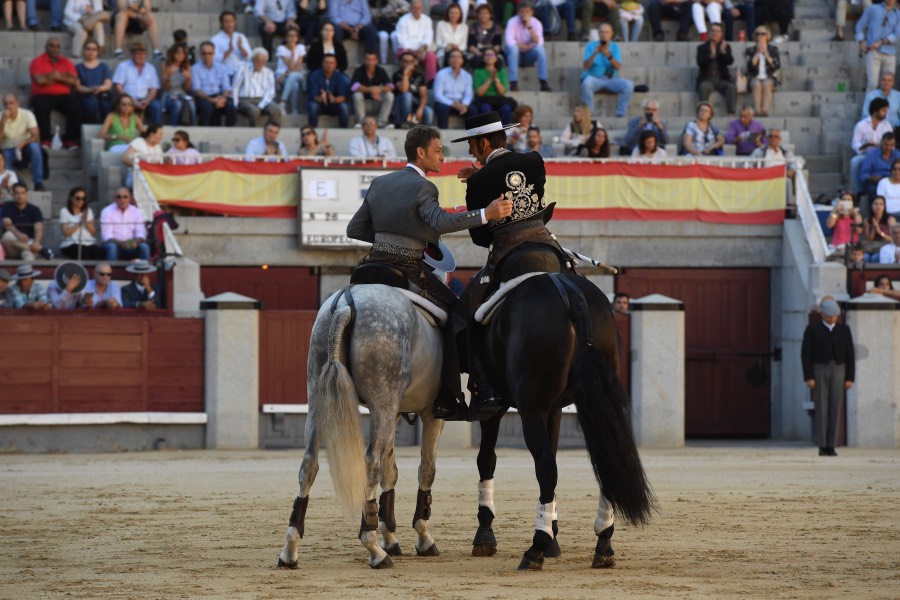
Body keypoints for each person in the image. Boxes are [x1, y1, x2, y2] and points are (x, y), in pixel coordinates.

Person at [346, 123, 513, 420]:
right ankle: (455, 393)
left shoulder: (380, 182)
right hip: (408, 267)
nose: (443, 157)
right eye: (438, 151)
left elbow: (355, 228)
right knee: (459, 314)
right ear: (420, 152)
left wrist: (388, 238)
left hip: (370, 266)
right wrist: (486, 213)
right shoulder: (425, 187)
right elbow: (440, 222)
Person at [451, 111, 565, 418]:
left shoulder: (478, 183)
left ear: (484, 142)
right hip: (547, 244)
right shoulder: (534, 160)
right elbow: (514, 178)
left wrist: (477, 181)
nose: (470, 151)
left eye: (472, 146)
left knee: (466, 315)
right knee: (572, 284)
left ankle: (484, 387)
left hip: (508, 252)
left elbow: (478, 238)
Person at [801, 299, 855, 457]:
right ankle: (822, 444)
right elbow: (806, 355)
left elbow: (849, 354)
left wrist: (850, 377)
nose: (833, 319)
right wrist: (809, 376)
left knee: (835, 407)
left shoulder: (844, 330)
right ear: (822, 314)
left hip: (839, 369)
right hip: (819, 368)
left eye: (835, 316)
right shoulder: (813, 330)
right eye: (829, 316)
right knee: (821, 408)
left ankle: (831, 444)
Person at [30, 36, 82, 149]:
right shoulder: (37, 61)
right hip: (42, 95)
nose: (55, 49)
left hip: (63, 96)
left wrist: (54, 77)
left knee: (76, 106)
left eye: (57, 46)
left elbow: (74, 80)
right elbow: (39, 80)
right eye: (51, 46)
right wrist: (63, 77)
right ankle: (45, 139)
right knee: (40, 106)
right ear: (46, 47)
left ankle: (70, 139)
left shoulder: (66, 62)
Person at [581, 23, 633, 118]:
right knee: (586, 83)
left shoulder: (615, 47)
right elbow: (586, 66)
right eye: (601, 32)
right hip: (595, 78)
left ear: (611, 34)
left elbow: (618, 67)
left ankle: (620, 113)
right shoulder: (591, 46)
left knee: (629, 85)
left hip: (612, 79)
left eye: (607, 32)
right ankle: (589, 114)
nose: (604, 35)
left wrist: (608, 55)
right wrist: (595, 54)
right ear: (598, 34)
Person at [0, 95, 46, 191]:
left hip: (25, 146)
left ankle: (38, 182)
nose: (8, 106)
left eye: (11, 103)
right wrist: (3, 122)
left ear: (17, 103)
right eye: (6, 104)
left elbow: (36, 137)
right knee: (5, 159)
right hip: (7, 148)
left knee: (35, 147)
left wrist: (24, 143)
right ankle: (14, 186)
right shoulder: (1, 117)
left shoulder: (27, 115)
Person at [505, 1, 552, 93]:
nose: (524, 14)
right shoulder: (512, 22)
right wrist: (527, 46)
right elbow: (509, 42)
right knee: (513, 49)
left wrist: (529, 27)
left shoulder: (536, 23)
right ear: (518, 12)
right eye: (522, 12)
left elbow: (539, 43)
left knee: (541, 50)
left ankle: (543, 82)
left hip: (528, 56)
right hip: (514, 55)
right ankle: (513, 82)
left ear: (532, 12)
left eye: (527, 12)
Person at [112, 42, 162, 125]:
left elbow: (154, 89)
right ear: (132, 55)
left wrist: (147, 101)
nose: (141, 56)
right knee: (123, 104)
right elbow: (118, 86)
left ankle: (155, 130)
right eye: (138, 54)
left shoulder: (150, 68)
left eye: (143, 54)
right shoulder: (123, 66)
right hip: (127, 99)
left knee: (156, 106)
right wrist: (132, 101)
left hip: (145, 100)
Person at [851, 98, 893, 195]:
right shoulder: (861, 125)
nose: (885, 113)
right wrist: (865, 145)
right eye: (883, 110)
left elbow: (890, 142)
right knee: (855, 162)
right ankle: (858, 191)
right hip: (865, 155)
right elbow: (855, 144)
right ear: (875, 111)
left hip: (881, 155)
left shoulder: (887, 126)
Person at [856, 0, 900, 91]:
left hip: (890, 53)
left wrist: (881, 42)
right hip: (873, 52)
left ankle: (886, 105)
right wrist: (861, 42)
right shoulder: (872, 8)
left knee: (888, 86)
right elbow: (859, 26)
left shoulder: (898, 14)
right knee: (872, 84)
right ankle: (870, 105)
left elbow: (897, 34)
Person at [191, 41, 237, 127]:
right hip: (203, 97)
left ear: (214, 54)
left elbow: (226, 87)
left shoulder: (222, 67)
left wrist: (222, 98)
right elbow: (196, 90)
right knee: (207, 108)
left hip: (219, 96)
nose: (207, 56)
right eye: (204, 53)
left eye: (210, 53)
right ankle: (202, 133)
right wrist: (210, 100)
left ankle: (229, 133)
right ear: (200, 54)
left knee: (231, 108)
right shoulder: (195, 68)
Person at [234, 47, 283, 127]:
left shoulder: (269, 72)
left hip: (263, 99)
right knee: (254, 111)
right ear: (253, 60)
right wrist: (235, 104)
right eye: (258, 61)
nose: (260, 64)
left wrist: (262, 104)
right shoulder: (242, 69)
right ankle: (256, 134)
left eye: (263, 62)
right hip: (245, 100)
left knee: (276, 110)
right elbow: (235, 87)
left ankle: (270, 132)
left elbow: (270, 92)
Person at [696, 23, 736, 116]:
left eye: (718, 31)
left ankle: (731, 113)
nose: (715, 33)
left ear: (721, 34)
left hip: (721, 78)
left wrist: (723, 52)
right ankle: (704, 113)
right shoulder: (701, 48)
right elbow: (700, 63)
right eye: (713, 31)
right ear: (709, 33)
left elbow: (730, 61)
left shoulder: (725, 46)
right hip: (707, 78)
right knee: (703, 87)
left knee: (731, 88)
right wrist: (711, 56)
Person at [100, 187, 149, 261]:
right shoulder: (107, 211)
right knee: (112, 247)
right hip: (114, 244)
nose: (122, 200)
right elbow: (107, 236)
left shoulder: (136, 211)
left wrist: (135, 242)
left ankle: (146, 271)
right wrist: (121, 243)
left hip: (132, 243)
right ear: (114, 199)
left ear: (130, 198)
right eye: (119, 197)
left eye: (125, 197)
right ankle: (112, 271)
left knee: (144, 247)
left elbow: (141, 233)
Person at [394, 0, 438, 82]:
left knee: (431, 56)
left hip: (422, 50)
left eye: (419, 8)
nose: (417, 10)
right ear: (410, 9)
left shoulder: (427, 20)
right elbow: (401, 40)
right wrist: (412, 52)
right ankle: (406, 80)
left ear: (422, 9)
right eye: (414, 8)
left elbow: (429, 36)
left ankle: (431, 82)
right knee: (406, 56)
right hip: (407, 49)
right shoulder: (403, 20)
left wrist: (424, 47)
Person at [350, 51, 395, 128]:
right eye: (368, 59)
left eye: (372, 60)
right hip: (364, 104)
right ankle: (362, 122)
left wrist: (379, 89)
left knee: (390, 95)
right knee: (357, 95)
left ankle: (382, 122)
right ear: (364, 60)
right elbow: (354, 87)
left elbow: (390, 86)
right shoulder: (359, 71)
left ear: (376, 61)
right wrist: (371, 89)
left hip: (377, 102)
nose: (370, 62)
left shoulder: (381, 71)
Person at [433, 49, 475, 129]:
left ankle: (473, 136)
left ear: (462, 60)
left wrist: (464, 105)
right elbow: (438, 95)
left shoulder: (467, 76)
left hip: (461, 103)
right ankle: (443, 134)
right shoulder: (441, 74)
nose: (456, 59)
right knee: (442, 108)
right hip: (446, 103)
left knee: (473, 109)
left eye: (459, 57)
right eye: (453, 57)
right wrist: (453, 104)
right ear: (448, 60)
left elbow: (468, 95)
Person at [1, 182, 44, 261]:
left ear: (26, 194)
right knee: (7, 236)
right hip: (12, 247)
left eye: (22, 193)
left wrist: (37, 242)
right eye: (17, 193)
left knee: (29, 257)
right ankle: (35, 248)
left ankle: (31, 247)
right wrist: (19, 235)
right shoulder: (7, 206)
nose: (20, 196)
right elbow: (7, 224)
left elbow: (39, 228)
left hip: (27, 245)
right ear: (13, 195)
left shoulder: (34, 210)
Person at [472, 49, 515, 126]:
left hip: (498, 99)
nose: (489, 57)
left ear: (496, 58)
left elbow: (502, 92)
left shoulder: (501, 71)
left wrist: (495, 79)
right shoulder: (478, 71)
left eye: (492, 55)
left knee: (506, 109)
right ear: (483, 58)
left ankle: (506, 131)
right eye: (487, 55)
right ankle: (488, 132)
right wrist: (490, 79)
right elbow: (479, 93)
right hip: (484, 99)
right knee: (485, 108)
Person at [59, 185, 104, 259]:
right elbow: (66, 233)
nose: (81, 201)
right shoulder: (64, 211)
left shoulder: (88, 211)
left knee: (98, 252)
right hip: (71, 243)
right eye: (78, 198)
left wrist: (86, 222)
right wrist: (80, 222)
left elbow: (93, 232)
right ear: (71, 198)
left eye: (83, 198)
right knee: (84, 251)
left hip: (88, 242)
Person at [744, 25, 780, 117]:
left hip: (769, 76)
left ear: (767, 36)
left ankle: (764, 111)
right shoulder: (750, 50)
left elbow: (776, 66)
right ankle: (757, 110)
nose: (760, 36)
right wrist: (758, 53)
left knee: (767, 84)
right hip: (754, 76)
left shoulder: (773, 49)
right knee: (756, 84)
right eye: (757, 34)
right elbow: (749, 67)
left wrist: (767, 55)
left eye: (763, 34)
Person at [307, 54, 351, 128]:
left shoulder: (340, 77)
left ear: (335, 65)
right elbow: (312, 95)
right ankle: (312, 129)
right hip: (320, 104)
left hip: (334, 104)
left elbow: (343, 96)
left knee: (344, 107)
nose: (329, 65)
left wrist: (334, 99)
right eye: (326, 63)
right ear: (322, 63)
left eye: (332, 63)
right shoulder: (314, 75)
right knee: (313, 106)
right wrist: (320, 98)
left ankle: (344, 129)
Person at [75, 40, 113, 124]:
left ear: (98, 52)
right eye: (88, 49)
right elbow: (77, 86)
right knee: (90, 105)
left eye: (94, 49)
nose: (91, 52)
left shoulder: (103, 67)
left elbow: (108, 84)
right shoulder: (78, 68)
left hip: (102, 95)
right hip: (85, 96)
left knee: (105, 106)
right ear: (83, 51)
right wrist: (90, 89)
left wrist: (99, 88)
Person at [392, 51, 433, 128]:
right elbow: (404, 90)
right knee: (407, 95)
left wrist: (420, 109)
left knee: (428, 111)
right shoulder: (397, 75)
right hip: (401, 104)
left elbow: (423, 95)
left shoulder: (419, 75)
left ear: (414, 62)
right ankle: (406, 123)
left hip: (416, 103)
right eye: (405, 61)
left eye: (411, 61)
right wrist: (405, 74)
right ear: (401, 62)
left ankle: (426, 132)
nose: (408, 63)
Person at [161, 44, 195, 126]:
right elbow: (165, 88)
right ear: (173, 54)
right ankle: (174, 127)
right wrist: (169, 77)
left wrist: (188, 78)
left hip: (181, 93)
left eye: (183, 53)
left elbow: (187, 89)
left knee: (192, 105)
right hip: (169, 95)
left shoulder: (187, 67)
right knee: (177, 104)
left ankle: (193, 128)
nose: (180, 55)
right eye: (178, 53)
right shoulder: (165, 65)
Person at [275, 28, 307, 115]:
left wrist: (293, 51)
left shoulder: (301, 47)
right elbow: (291, 67)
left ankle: (282, 102)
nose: (292, 38)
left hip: (298, 75)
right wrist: (292, 52)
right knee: (295, 85)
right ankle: (294, 110)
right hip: (282, 74)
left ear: (297, 38)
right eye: (290, 36)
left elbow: (297, 68)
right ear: (286, 38)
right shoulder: (281, 48)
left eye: (295, 36)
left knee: (293, 76)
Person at [859, 132, 900, 200]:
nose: (888, 148)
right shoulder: (871, 155)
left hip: (894, 181)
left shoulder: (897, 155)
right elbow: (863, 175)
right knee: (873, 190)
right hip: (876, 183)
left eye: (891, 145)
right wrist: (873, 178)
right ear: (881, 143)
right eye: (886, 145)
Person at [121, 123, 164, 188]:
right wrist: (142, 167)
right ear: (152, 134)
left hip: (152, 176)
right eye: (160, 134)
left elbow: (159, 164)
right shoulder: (139, 142)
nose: (162, 137)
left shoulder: (158, 147)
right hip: (136, 174)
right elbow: (124, 158)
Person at [211, 10, 251, 79]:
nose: (229, 24)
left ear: (235, 22)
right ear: (221, 23)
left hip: (241, 72)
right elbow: (214, 59)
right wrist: (229, 50)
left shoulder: (241, 36)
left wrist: (241, 48)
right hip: (225, 73)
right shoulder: (215, 39)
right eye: (226, 21)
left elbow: (249, 56)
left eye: (231, 21)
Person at [467, 3, 504, 69]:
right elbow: (471, 46)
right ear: (477, 15)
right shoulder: (473, 27)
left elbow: (497, 45)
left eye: (485, 13)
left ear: (490, 15)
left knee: (498, 61)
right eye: (480, 13)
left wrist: (490, 54)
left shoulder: (496, 27)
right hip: (477, 52)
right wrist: (481, 55)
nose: (483, 15)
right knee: (477, 61)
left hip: (492, 52)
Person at [862, 195, 897, 261]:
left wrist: (880, 232)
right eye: (875, 204)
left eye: (881, 204)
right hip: (871, 247)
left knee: (875, 258)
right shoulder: (867, 220)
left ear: (884, 206)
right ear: (871, 206)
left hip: (885, 246)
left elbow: (893, 239)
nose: (878, 206)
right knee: (865, 257)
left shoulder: (890, 219)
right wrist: (874, 228)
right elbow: (868, 239)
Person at [435, 3, 468, 69]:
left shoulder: (464, 27)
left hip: (459, 51)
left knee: (458, 56)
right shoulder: (440, 24)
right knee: (450, 55)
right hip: (444, 51)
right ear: (448, 14)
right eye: (451, 13)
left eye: (456, 13)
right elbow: (438, 42)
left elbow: (464, 45)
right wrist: (447, 46)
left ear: (460, 15)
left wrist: (456, 47)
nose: (453, 15)